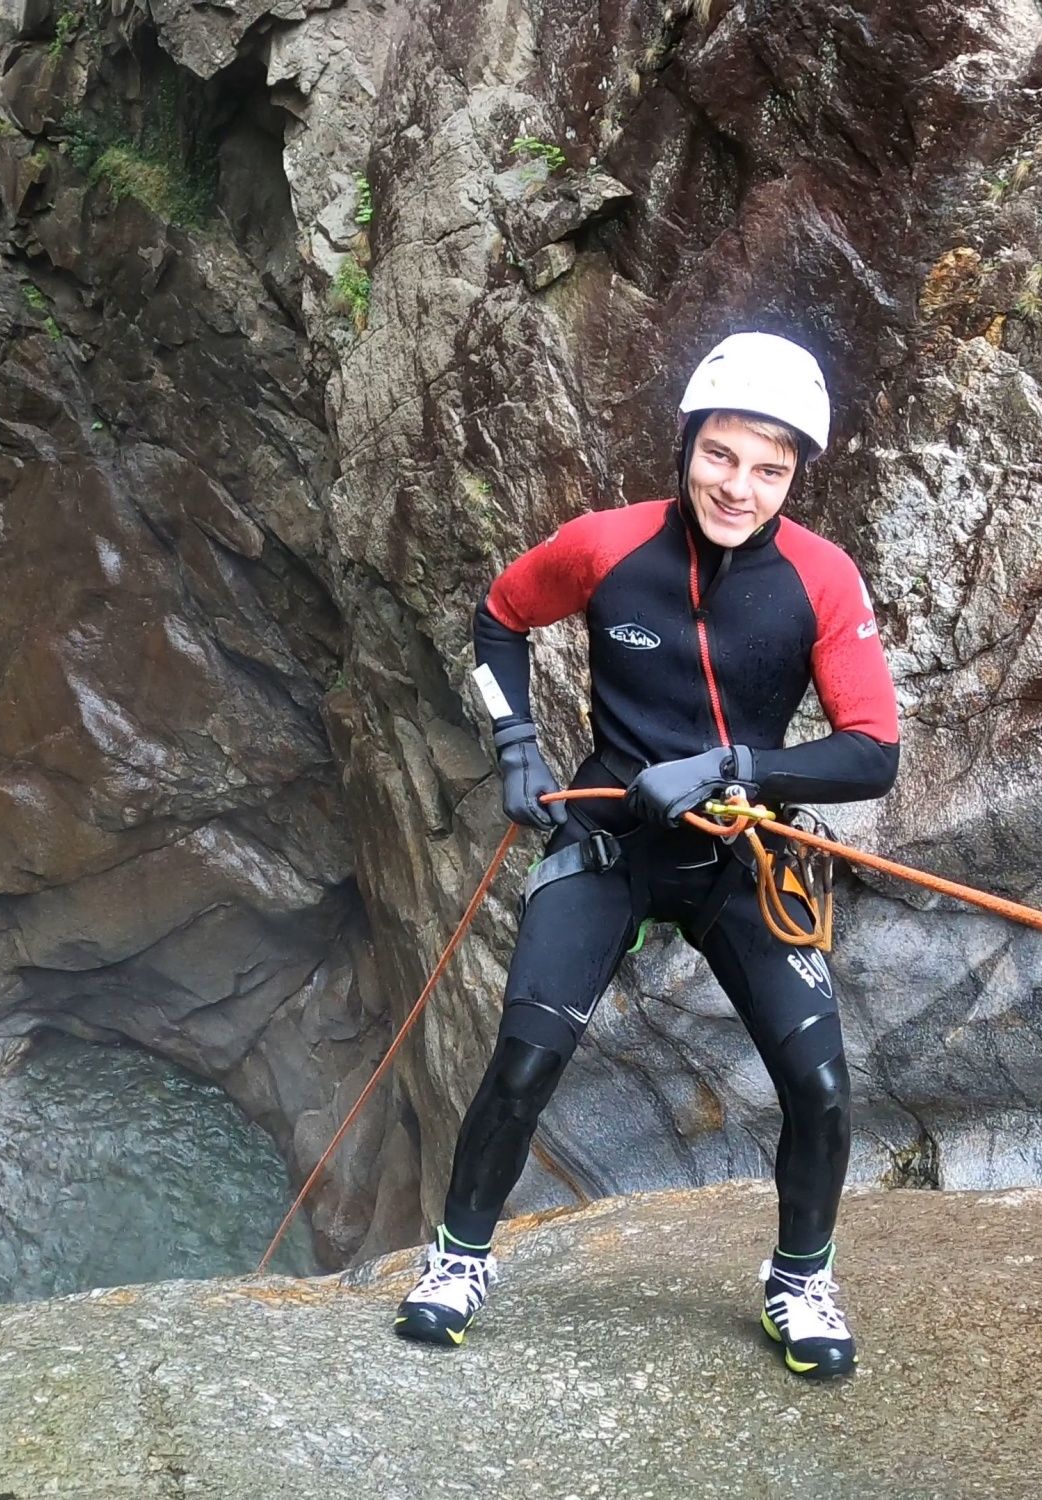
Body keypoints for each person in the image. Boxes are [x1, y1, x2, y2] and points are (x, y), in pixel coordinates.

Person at [392, 331, 900, 1379]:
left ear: (794, 475)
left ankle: (800, 1280)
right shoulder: (605, 545)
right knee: (525, 1057)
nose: (739, 487)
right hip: (611, 839)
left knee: (819, 1085)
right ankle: (457, 1260)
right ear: (686, 444)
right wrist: (517, 741)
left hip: (735, 856)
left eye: (769, 469)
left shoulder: (819, 577)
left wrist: (730, 769)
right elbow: (496, 619)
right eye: (721, 455)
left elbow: (870, 755)